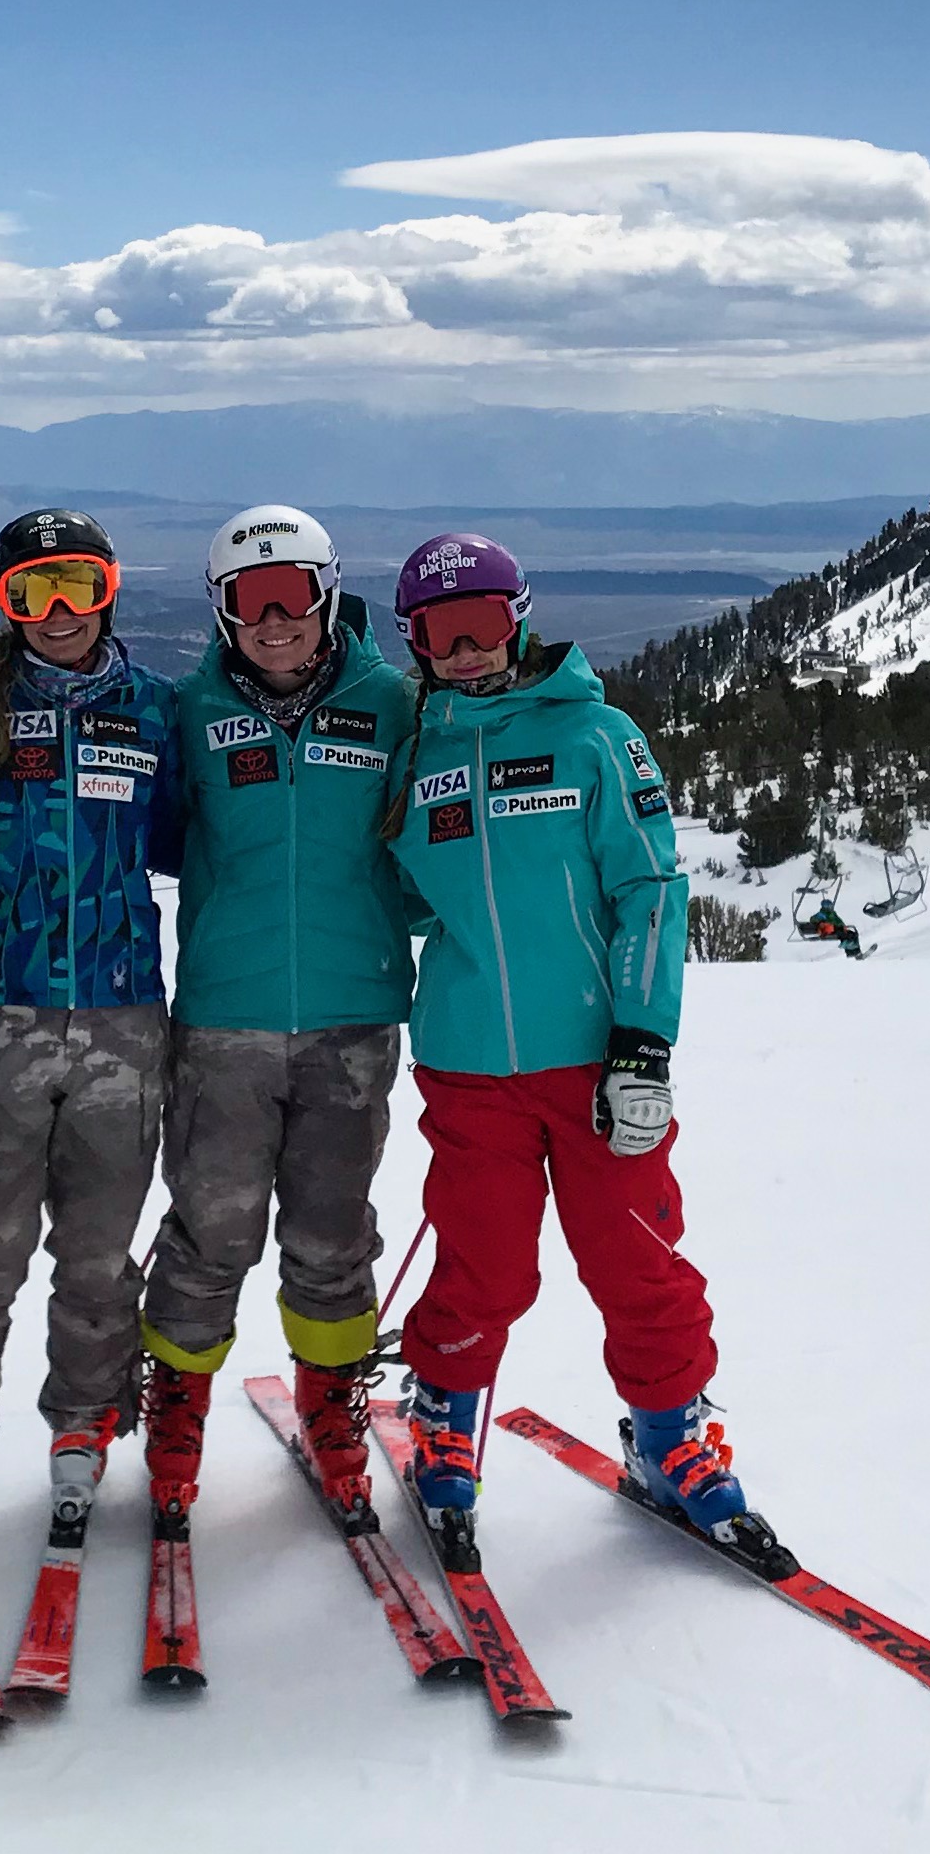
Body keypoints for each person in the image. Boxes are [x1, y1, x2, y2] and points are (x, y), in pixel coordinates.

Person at [378, 532, 788, 1569]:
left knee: (635, 1258)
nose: (464, 650)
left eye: (482, 625)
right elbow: (398, 899)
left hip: (596, 1060)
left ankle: (670, 1444)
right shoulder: (415, 760)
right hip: (469, 1063)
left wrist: (642, 1044)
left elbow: (649, 887)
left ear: (519, 618)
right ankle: (444, 1423)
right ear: (413, 643)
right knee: (484, 1262)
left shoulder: (595, 736)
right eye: (438, 632)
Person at [132, 506, 419, 1533]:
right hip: (225, 1020)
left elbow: (429, 847)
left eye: (293, 592)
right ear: (221, 608)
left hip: (353, 1016)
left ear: (329, 593)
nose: (275, 618)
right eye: (250, 600)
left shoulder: (394, 702)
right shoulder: (189, 709)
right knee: (210, 1230)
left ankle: (331, 1408)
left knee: (333, 1233)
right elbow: (157, 835)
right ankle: (176, 1407)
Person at [0, 510, 183, 1545]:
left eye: (74, 584)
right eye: (31, 592)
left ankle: (84, 1426)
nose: (57, 612)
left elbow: (179, 841)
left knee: (100, 1252)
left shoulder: (155, 707)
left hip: (120, 1015)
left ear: (108, 586)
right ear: (3, 604)